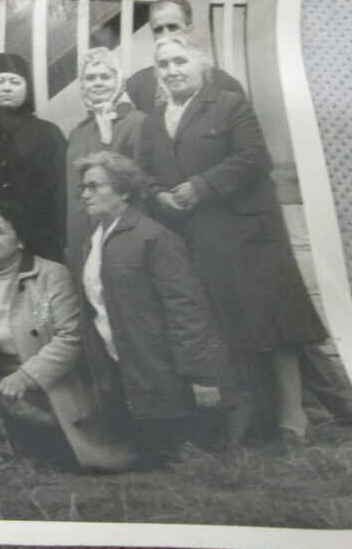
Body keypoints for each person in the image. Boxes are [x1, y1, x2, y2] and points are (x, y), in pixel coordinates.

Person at [138, 35, 327, 446]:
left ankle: (293, 413)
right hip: (197, 238)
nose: (172, 71)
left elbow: (253, 157)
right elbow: (144, 171)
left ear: (200, 64)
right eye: (164, 65)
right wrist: (158, 195)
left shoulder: (228, 103)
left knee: (275, 324)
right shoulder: (153, 120)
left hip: (247, 235)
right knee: (228, 329)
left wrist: (202, 187)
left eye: (179, 62)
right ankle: (252, 414)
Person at [74, 151, 238, 463]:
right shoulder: (92, 241)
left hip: (164, 380)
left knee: (169, 463)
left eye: (95, 186)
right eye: (84, 187)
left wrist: (202, 376)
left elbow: (187, 309)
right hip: (124, 378)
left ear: (123, 191)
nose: (85, 195)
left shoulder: (154, 237)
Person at [0, 201, 136, 471]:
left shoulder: (51, 276)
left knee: (46, 433)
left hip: (46, 381)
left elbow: (69, 338)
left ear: (20, 239)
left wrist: (26, 377)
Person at [0, 53, 67, 264]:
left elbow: (61, 193)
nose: (7, 87)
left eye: (15, 82)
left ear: (27, 88)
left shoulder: (49, 135)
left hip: (40, 242)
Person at [65, 48, 147, 259]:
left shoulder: (137, 123)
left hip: (125, 233)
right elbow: (74, 193)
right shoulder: (78, 132)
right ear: (83, 85)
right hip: (84, 234)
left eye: (105, 76)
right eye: (91, 78)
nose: (98, 82)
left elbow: (142, 187)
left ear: (118, 80)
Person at [124, 0, 245, 115]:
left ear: (189, 29)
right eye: (158, 30)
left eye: (173, 27)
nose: (166, 35)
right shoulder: (136, 84)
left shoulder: (224, 84)